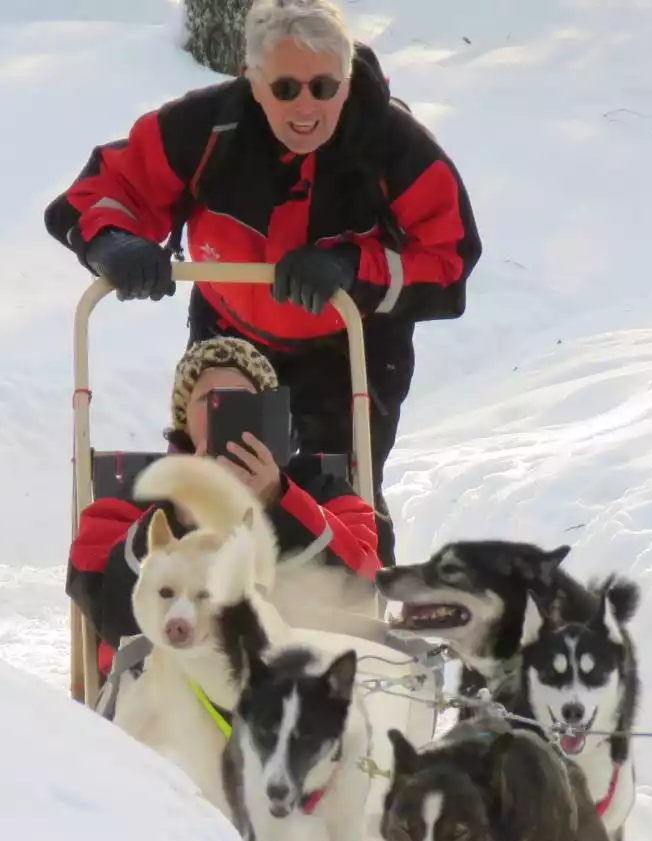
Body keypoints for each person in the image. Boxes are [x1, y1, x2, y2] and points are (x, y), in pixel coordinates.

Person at [44, 0, 482, 566]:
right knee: (216, 478)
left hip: (349, 343)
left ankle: (354, 621)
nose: (306, 107)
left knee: (343, 489)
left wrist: (353, 265)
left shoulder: (394, 147)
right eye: (286, 89)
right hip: (231, 337)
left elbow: (448, 256)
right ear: (254, 81)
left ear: (346, 82)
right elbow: (104, 190)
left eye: (324, 87)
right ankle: (202, 612)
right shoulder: (205, 128)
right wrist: (114, 242)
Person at [67, 337, 382, 695]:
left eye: (242, 400)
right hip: (165, 689)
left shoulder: (319, 490)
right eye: (209, 399)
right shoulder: (142, 493)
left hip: (291, 686)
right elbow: (107, 607)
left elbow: (359, 586)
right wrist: (184, 511)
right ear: (185, 419)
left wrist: (278, 501)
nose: (225, 410)